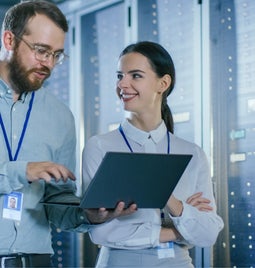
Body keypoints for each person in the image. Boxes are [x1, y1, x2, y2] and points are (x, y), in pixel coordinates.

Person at [0, 1, 136, 267]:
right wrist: (22, 171)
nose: (48, 64)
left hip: (38, 261)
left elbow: (56, 201)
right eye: (41, 51)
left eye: (57, 55)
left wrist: (87, 215)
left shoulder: (60, 116)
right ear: (9, 40)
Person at [82, 41, 224, 267]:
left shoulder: (192, 154)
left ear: (163, 83)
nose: (122, 84)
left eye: (135, 75)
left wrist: (172, 201)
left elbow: (208, 234)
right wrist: (179, 230)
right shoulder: (99, 147)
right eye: (120, 76)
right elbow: (101, 233)